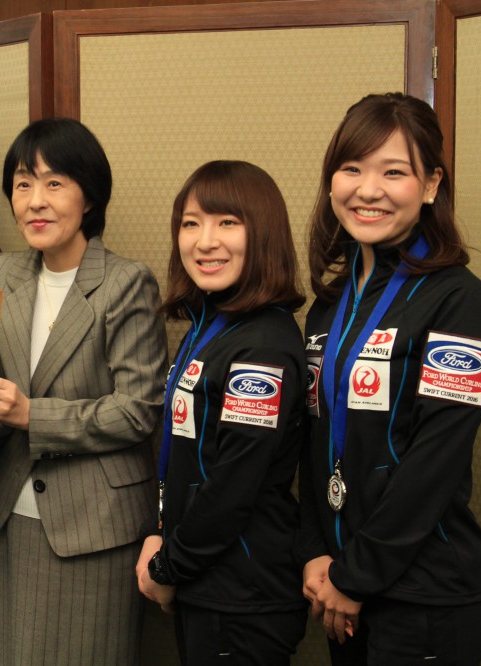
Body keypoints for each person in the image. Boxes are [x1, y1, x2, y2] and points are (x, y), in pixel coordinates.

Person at [0, 117, 167, 666]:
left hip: (94, 527)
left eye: (55, 183)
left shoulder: (125, 282)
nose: (35, 201)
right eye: (22, 183)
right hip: (8, 518)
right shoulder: (0, 271)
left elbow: (138, 410)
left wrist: (30, 415)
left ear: (90, 197)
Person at [297, 92, 481, 665]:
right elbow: (316, 441)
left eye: (394, 172)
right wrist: (314, 551)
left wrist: (356, 576)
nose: (368, 190)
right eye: (352, 168)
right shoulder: (329, 307)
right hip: (339, 586)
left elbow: (434, 462)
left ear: (431, 185)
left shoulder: (460, 303)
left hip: (425, 600)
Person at [136, 160, 308, 664]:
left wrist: (168, 567)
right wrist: (160, 535)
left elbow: (234, 484)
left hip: (243, 593)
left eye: (227, 222)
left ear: (264, 233)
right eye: (191, 223)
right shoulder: (210, 325)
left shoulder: (263, 345)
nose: (205, 241)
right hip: (206, 579)